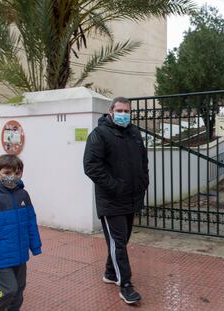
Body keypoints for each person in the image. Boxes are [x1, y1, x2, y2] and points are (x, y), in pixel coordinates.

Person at [83, 96, 149, 304]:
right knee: (118, 242)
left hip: (131, 198)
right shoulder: (99, 134)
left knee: (121, 240)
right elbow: (91, 166)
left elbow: (143, 161)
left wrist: (143, 182)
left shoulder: (134, 133)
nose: (124, 114)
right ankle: (125, 285)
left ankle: (110, 273)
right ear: (111, 111)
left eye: (127, 111)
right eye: (119, 110)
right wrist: (115, 186)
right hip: (111, 200)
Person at [0, 154, 42, 311]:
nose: (12, 177)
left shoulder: (23, 195)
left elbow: (30, 221)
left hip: (19, 255)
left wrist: (35, 246)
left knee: (19, 291)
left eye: (17, 173)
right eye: (7, 173)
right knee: (8, 291)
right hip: (0, 258)